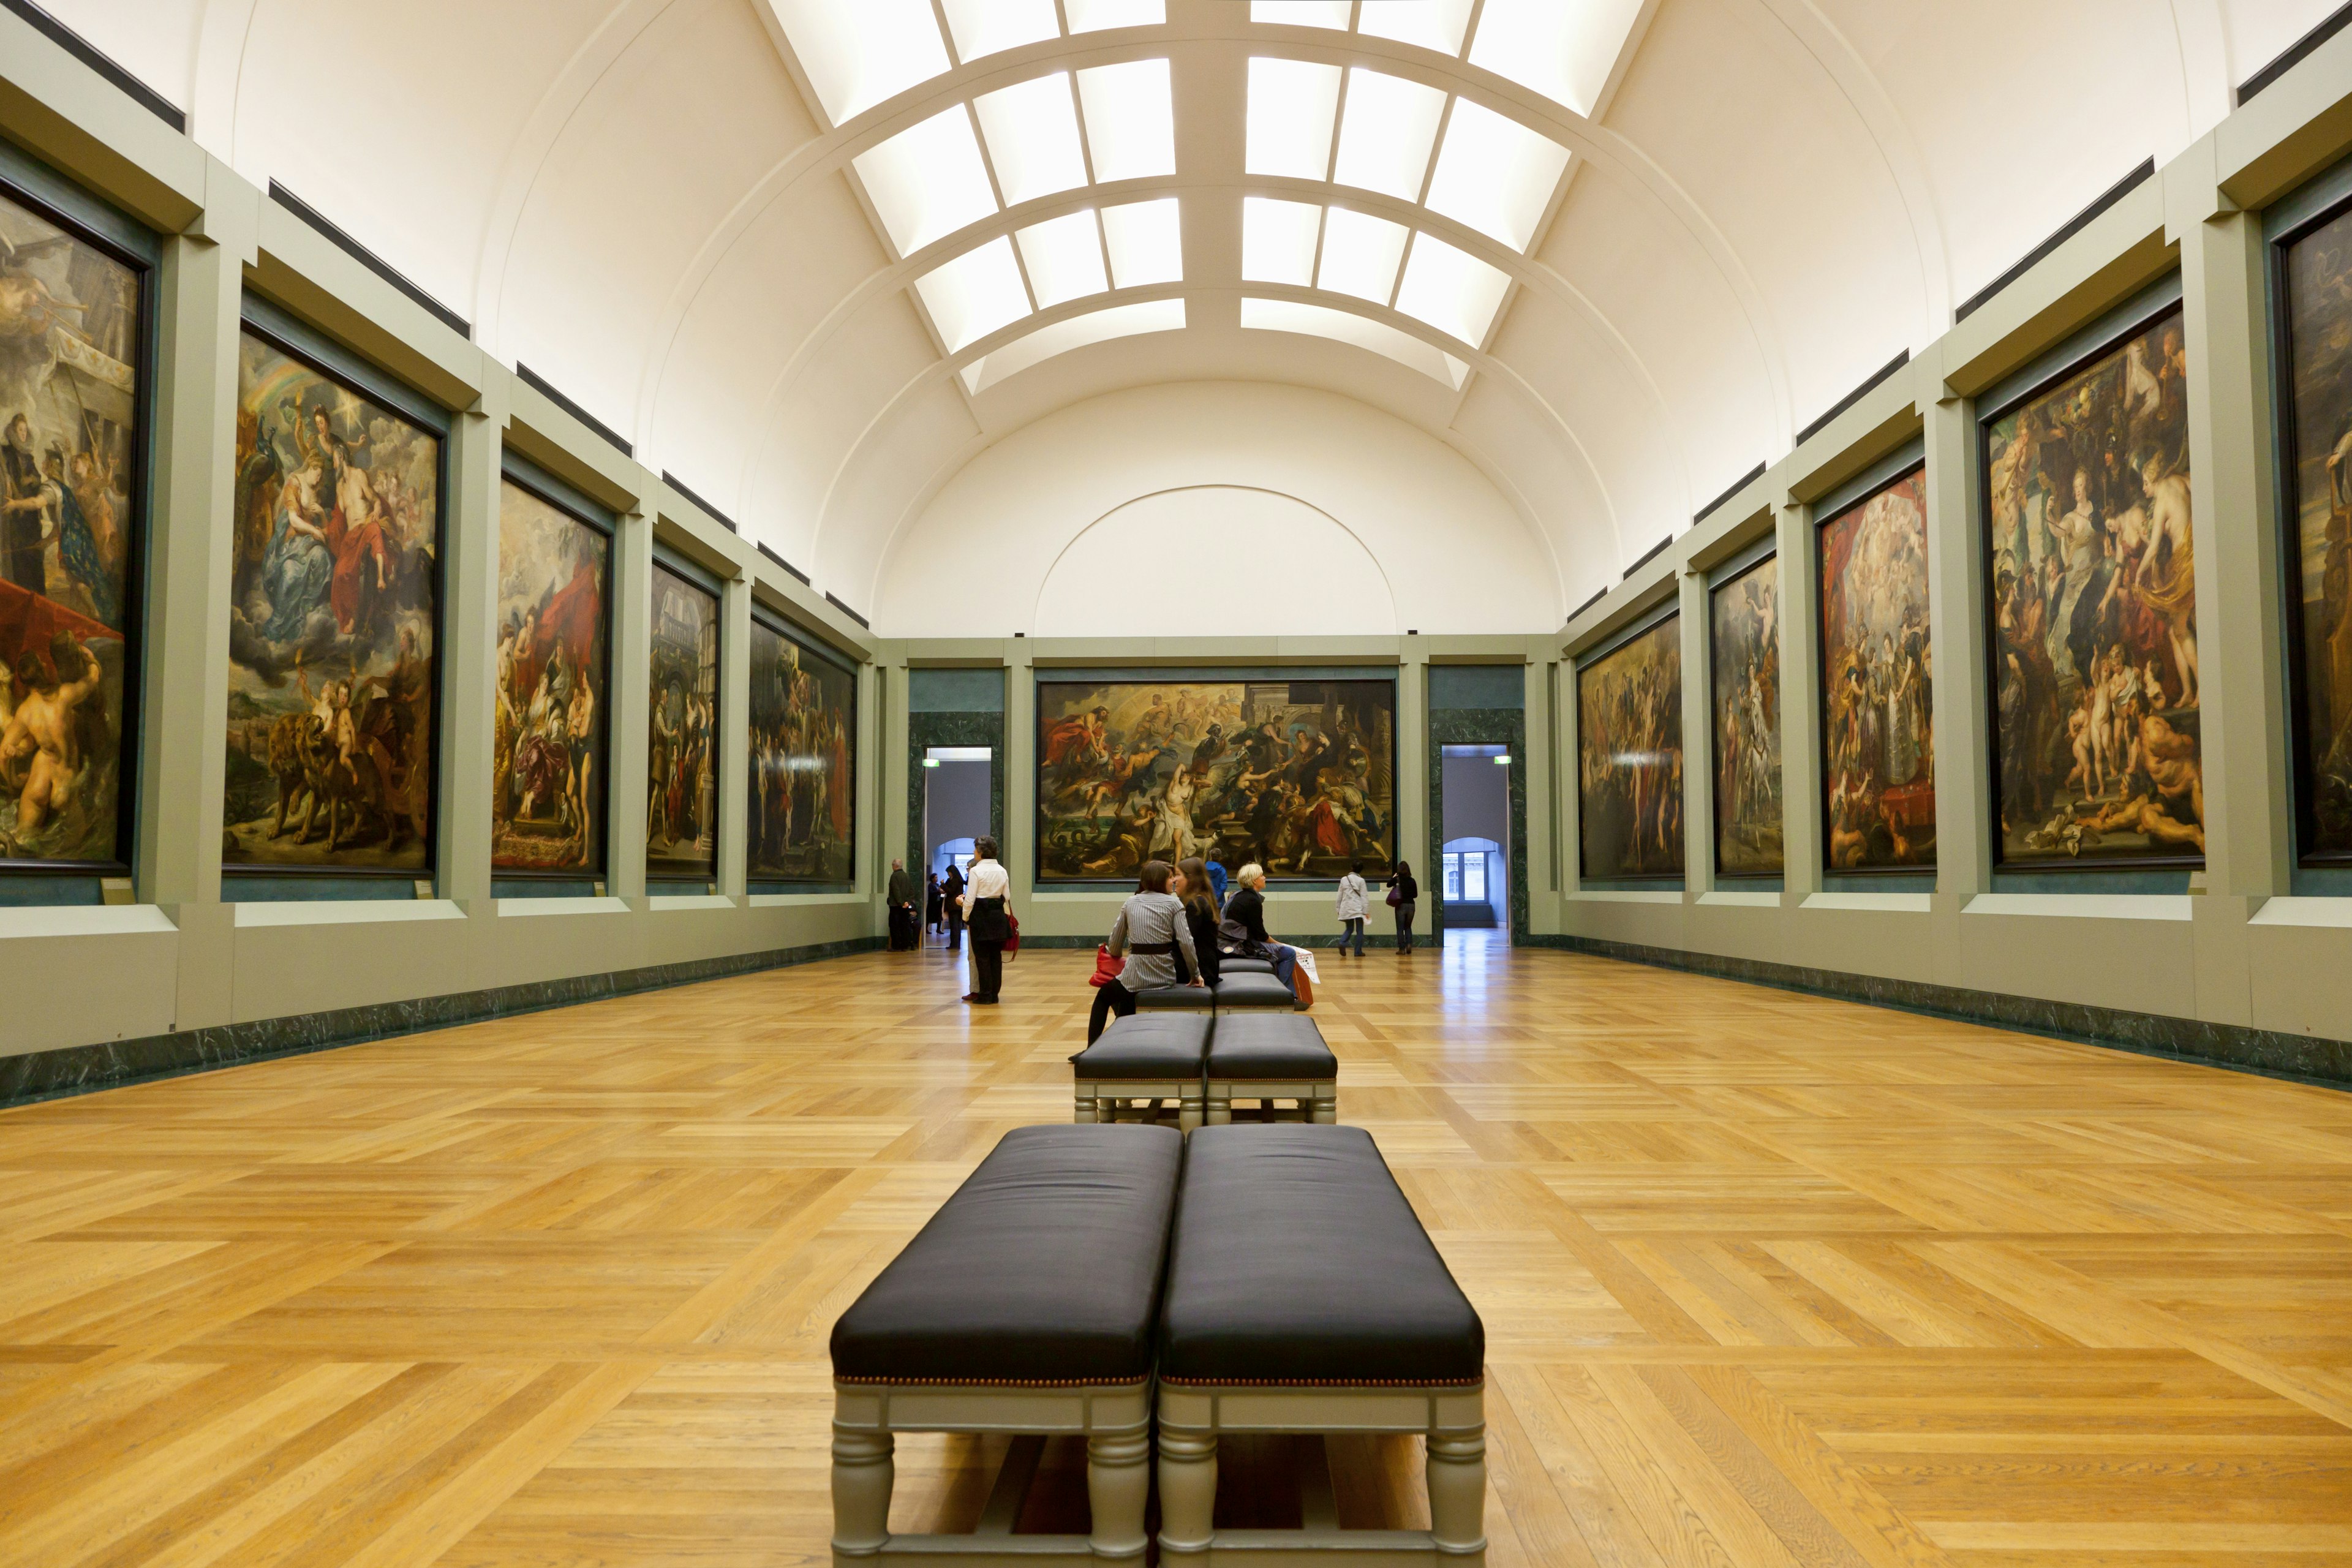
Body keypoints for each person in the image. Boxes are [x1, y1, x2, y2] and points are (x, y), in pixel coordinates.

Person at [1086, 859, 1205, 1042]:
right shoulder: (1174, 905)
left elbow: (1115, 943)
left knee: (1104, 997)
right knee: (1126, 997)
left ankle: (1092, 1050)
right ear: (1159, 880)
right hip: (1164, 976)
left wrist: (1117, 955)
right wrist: (1195, 973)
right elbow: (1186, 943)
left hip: (1135, 977)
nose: (1172, 881)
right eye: (1170, 877)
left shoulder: (1131, 903)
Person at [1221, 862, 1299, 993]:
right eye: (1262, 875)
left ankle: (1291, 996)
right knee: (1289, 953)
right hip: (1243, 945)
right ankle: (1284, 994)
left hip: (1232, 941)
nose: (1265, 878)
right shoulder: (1252, 900)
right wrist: (1280, 944)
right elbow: (1260, 935)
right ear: (1254, 880)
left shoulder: (1237, 896)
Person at [960, 836, 1012, 1005]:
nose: (974, 852)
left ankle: (985, 995)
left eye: (975, 849)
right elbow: (1007, 896)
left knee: (981, 958)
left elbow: (970, 899)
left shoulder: (976, 871)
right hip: (998, 918)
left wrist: (965, 916)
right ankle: (995, 995)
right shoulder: (1002, 870)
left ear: (981, 852)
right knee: (996, 958)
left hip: (981, 918)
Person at [1175, 854, 1222, 989]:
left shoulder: (1195, 904)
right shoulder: (1202, 899)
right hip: (1207, 966)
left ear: (1190, 878)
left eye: (1178, 875)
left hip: (1202, 969)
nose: (1174, 880)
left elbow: (1183, 940)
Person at [1335, 859, 1370, 957]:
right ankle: (1358, 951)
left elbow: (1339, 896)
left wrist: (1338, 908)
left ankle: (1342, 942)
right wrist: (1366, 911)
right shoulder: (1361, 881)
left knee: (1349, 929)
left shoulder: (1344, 879)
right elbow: (1364, 897)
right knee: (1360, 931)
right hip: (1358, 908)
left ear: (1352, 868)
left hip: (1347, 907)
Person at [1387, 859, 1419, 952]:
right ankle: (1409, 944)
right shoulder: (1412, 881)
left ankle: (1401, 948)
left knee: (1400, 928)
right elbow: (1415, 895)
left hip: (1401, 905)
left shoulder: (1397, 879)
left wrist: (1394, 877)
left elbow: (1388, 885)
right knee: (1408, 927)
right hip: (1411, 906)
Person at [886, 858, 917, 951]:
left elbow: (896, 891)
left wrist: (901, 903)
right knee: (905, 925)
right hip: (906, 906)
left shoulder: (894, 876)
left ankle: (896, 946)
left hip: (896, 906)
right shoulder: (906, 876)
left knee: (894, 926)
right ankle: (905, 945)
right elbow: (912, 891)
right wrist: (907, 902)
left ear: (894, 866)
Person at [941, 859, 967, 950]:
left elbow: (951, 891)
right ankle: (954, 944)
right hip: (955, 906)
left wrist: (943, 885)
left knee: (955, 926)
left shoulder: (955, 880)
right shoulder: (954, 880)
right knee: (954, 926)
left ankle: (955, 944)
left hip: (954, 906)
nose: (948, 874)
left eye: (949, 872)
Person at [924, 869, 943, 936]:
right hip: (932, 904)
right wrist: (938, 891)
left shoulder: (937, 885)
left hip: (938, 903)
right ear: (932, 879)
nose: (937, 879)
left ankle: (938, 929)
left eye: (937, 877)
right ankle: (926, 929)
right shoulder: (930, 885)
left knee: (939, 917)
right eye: (936, 877)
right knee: (929, 917)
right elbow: (931, 893)